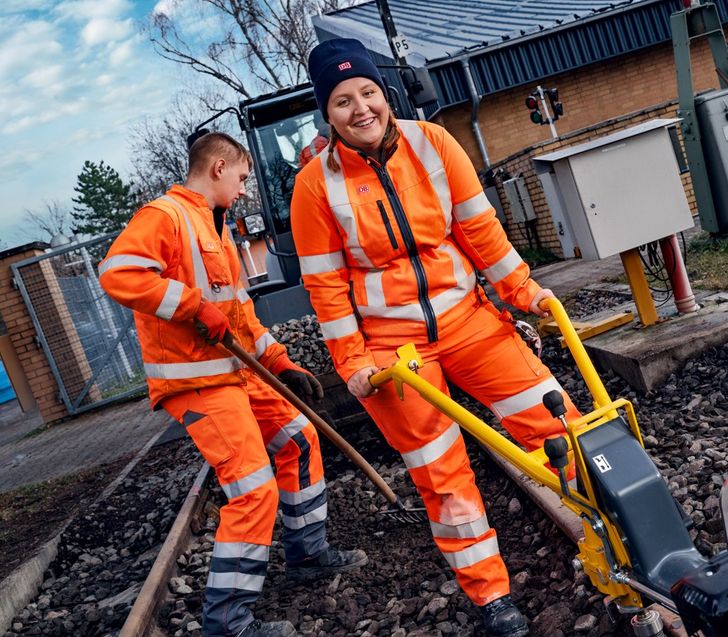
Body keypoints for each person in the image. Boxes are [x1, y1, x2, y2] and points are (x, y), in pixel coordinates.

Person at [290, 39, 583, 637]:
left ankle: (619, 532)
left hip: (471, 321)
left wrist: (525, 291)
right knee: (440, 473)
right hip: (394, 356)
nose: (360, 108)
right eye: (342, 101)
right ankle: (492, 600)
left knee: (560, 424)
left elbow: (481, 230)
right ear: (328, 114)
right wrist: (352, 362)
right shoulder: (313, 188)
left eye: (368, 92)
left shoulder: (434, 143)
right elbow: (327, 290)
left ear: (384, 94)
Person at [99, 131, 367, 637]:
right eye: (242, 177)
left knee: (298, 437)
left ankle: (307, 555)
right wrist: (190, 305)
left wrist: (282, 363)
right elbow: (118, 273)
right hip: (197, 381)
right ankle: (227, 623)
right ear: (218, 167)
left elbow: (239, 317)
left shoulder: (218, 230)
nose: (245, 189)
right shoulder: (166, 216)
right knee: (252, 488)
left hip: (235, 372)